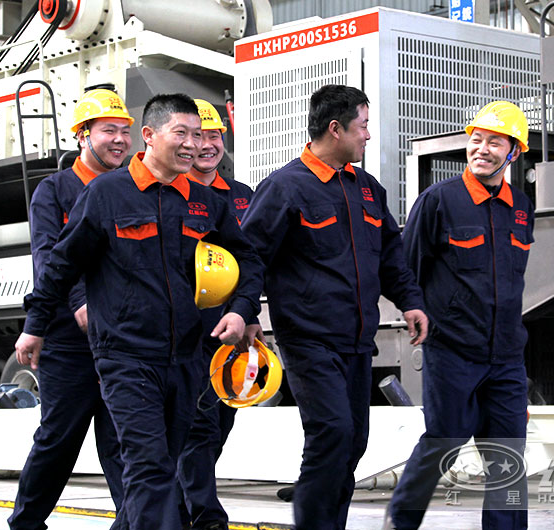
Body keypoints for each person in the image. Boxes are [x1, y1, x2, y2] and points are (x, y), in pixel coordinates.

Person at [14, 93, 264, 530]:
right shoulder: (105, 194)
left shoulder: (204, 201)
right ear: (150, 136)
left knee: (159, 465)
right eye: (182, 133)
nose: (193, 144)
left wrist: (242, 310)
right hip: (125, 355)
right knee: (145, 466)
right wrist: (35, 326)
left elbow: (249, 259)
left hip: (184, 358)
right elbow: (59, 264)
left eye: (199, 135)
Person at [240, 84, 429, 530]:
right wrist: (245, 312)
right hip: (308, 339)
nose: (368, 135)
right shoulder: (285, 187)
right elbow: (250, 255)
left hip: (358, 341)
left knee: (353, 441)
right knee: (332, 434)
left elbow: (390, 256)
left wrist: (411, 302)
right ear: (335, 129)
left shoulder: (368, 190)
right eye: (363, 126)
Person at [384, 100, 534, 530]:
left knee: (508, 456)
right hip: (453, 350)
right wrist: (419, 313)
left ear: (513, 152)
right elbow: (407, 270)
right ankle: (400, 522)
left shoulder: (521, 207)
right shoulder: (439, 201)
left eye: (494, 142)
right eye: (476, 140)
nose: (481, 149)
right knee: (444, 440)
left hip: (506, 355)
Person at [8, 87, 131, 530]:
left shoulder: (128, 189)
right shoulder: (54, 191)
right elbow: (49, 256)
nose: (120, 139)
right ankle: (26, 524)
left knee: (124, 443)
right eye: (108, 130)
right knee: (59, 438)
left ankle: (133, 524)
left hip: (121, 337)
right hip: (69, 341)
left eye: (125, 131)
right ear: (82, 135)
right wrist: (77, 302)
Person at [177, 99, 256, 530]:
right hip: (189, 330)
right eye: (199, 136)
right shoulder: (171, 193)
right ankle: (206, 516)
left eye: (214, 136)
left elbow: (255, 259)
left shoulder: (242, 197)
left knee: (223, 420)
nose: (207, 145)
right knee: (199, 425)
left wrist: (249, 312)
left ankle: (181, 503)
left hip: (234, 326)